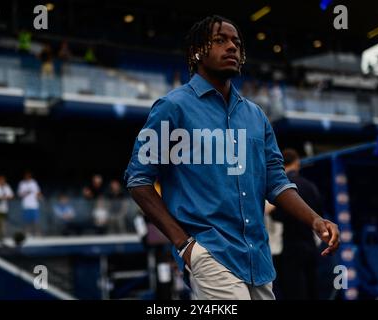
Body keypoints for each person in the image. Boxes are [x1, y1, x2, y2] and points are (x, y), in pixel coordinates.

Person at [124, 15, 340, 300]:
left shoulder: (256, 116)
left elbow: (276, 182)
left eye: (236, 42)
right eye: (220, 40)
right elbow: (138, 180)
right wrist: (185, 245)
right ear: (196, 51)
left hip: (258, 258)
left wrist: (314, 220)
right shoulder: (172, 108)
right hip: (210, 253)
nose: (232, 47)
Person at [266, 148, 324, 299]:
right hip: (310, 245)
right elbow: (319, 213)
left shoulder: (278, 190)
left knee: (294, 292)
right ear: (297, 163)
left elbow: (275, 216)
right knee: (313, 291)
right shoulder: (311, 186)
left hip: (289, 247)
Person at [17, 171, 43, 236]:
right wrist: (26, 192)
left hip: (34, 205)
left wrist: (40, 196)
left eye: (29, 176)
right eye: (26, 176)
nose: (27, 177)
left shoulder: (34, 183)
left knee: (36, 220)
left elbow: (38, 192)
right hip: (26, 205)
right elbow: (19, 194)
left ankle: (37, 233)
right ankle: (27, 234)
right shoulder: (22, 183)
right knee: (26, 221)